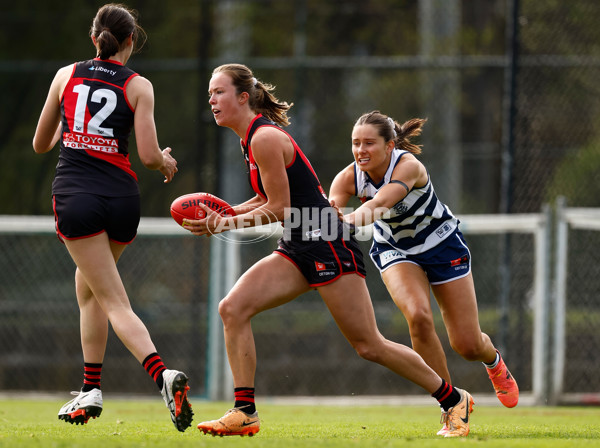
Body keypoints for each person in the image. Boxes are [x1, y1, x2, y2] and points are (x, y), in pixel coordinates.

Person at [183, 63, 474, 438]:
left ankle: (454, 400)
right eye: (210, 93)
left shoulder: (264, 138)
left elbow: (281, 208)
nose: (211, 99)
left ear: (243, 97)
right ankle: (245, 412)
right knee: (232, 308)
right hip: (297, 244)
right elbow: (265, 197)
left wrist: (224, 223)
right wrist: (223, 212)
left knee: (369, 345)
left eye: (218, 92)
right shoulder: (250, 139)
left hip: (326, 241)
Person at [32, 3, 193, 432]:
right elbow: (146, 155)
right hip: (122, 198)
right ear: (130, 42)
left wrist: (75, 130)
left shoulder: (66, 75)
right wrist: (164, 163)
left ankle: (163, 376)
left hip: (77, 197)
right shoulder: (139, 85)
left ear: (93, 38)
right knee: (89, 290)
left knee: (112, 300)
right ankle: (90, 389)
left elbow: (40, 144)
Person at [328, 110, 519, 431]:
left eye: (369, 143)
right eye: (355, 143)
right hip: (395, 250)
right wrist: (326, 217)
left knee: (467, 345)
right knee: (417, 316)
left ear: (390, 146)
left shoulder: (409, 167)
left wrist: (344, 222)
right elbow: (332, 207)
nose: (361, 150)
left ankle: (494, 362)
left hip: (442, 245)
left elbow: (379, 204)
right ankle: (452, 404)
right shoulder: (348, 177)